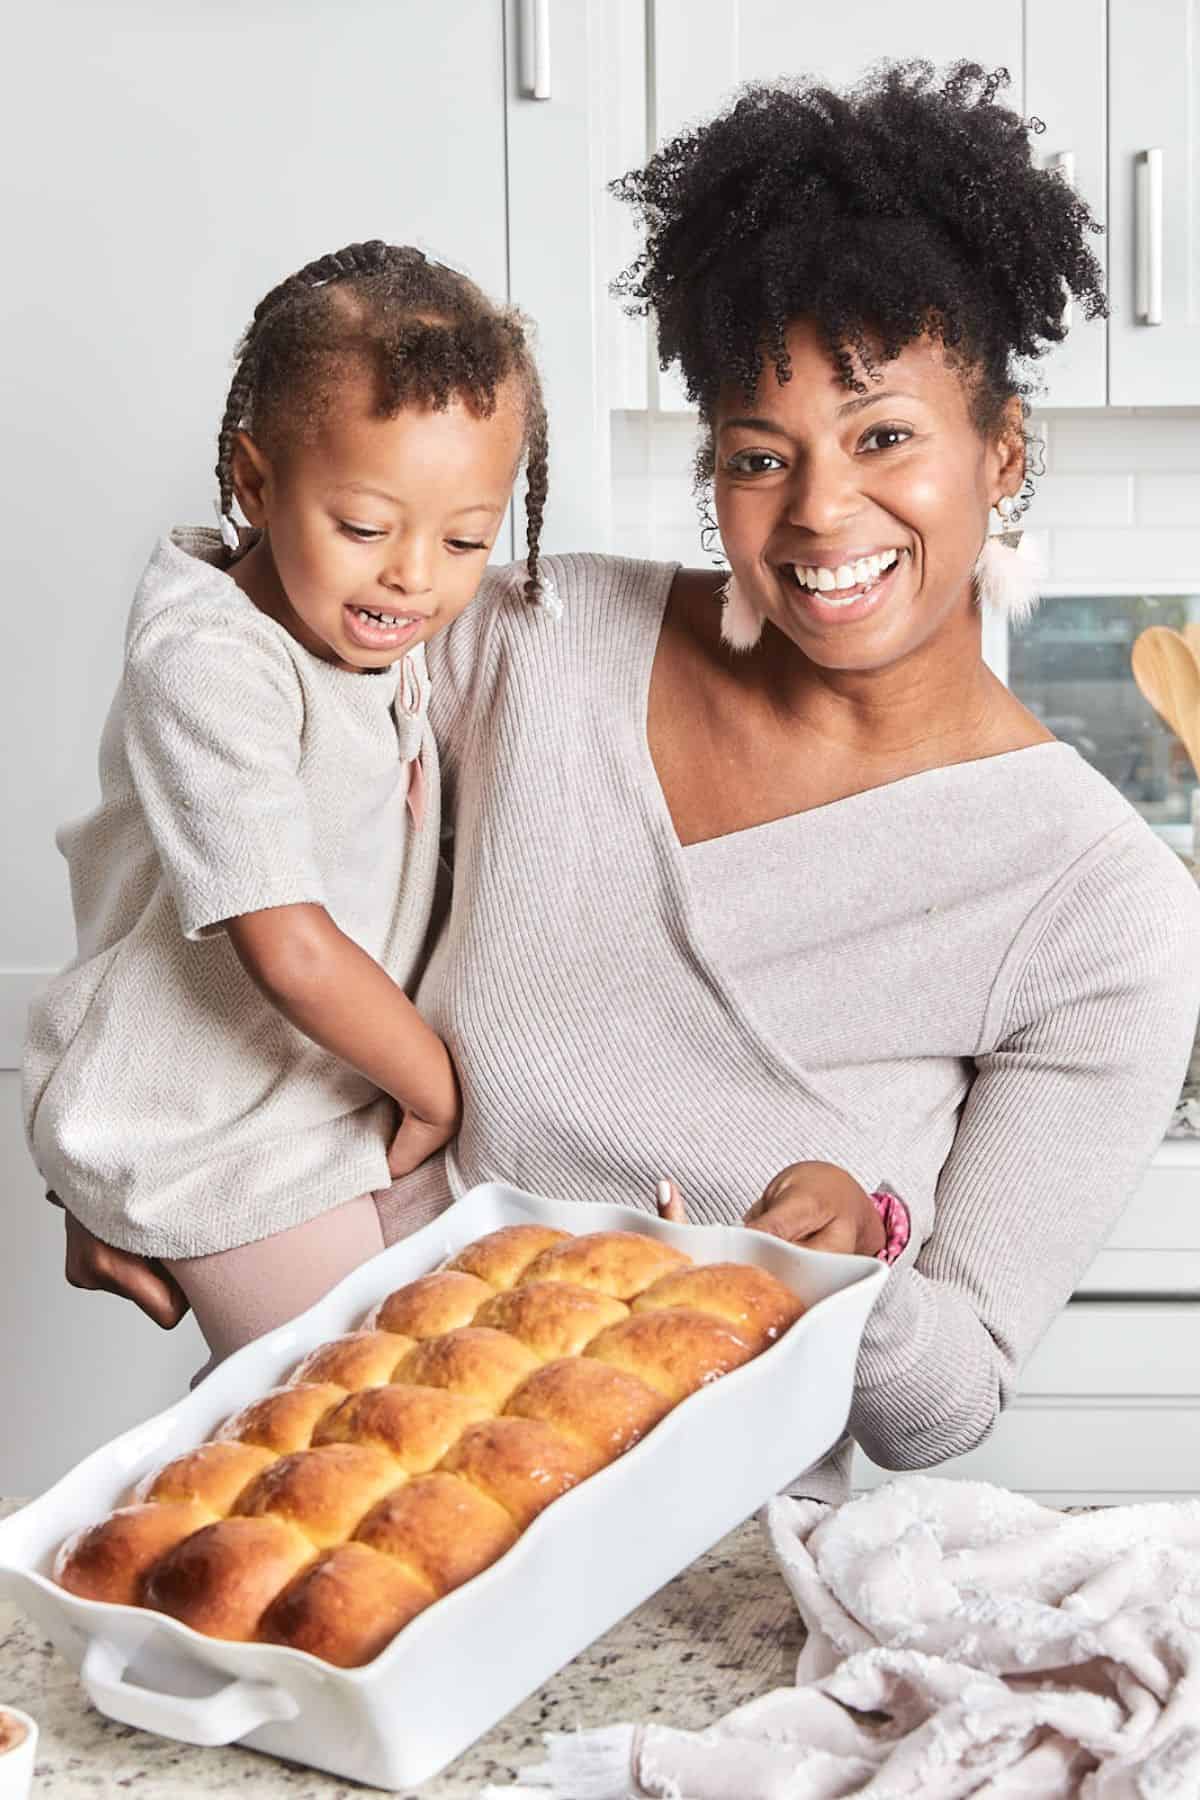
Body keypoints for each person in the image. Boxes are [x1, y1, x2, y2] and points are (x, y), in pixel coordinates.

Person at [54, 64, 1200, 1503]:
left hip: (699, 1560)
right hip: (363, 1467)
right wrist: (132, 1133)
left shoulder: (1106, 916)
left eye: (886, 436)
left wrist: (846, 1265)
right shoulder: (540, 643)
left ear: (1005, 451)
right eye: (757, 456)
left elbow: (946, 1399)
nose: (822, 510)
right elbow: (225, 737)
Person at [23, 239, 552, 1381]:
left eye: (466, 539)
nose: (416, 576)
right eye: (367, 528)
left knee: (392, 1396)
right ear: (255, 486)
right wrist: (432, 1084)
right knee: (338, 1410)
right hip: (212, 1129)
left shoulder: (363, 617)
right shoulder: (211, 659)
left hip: (310, 1091)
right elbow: (289, 946)